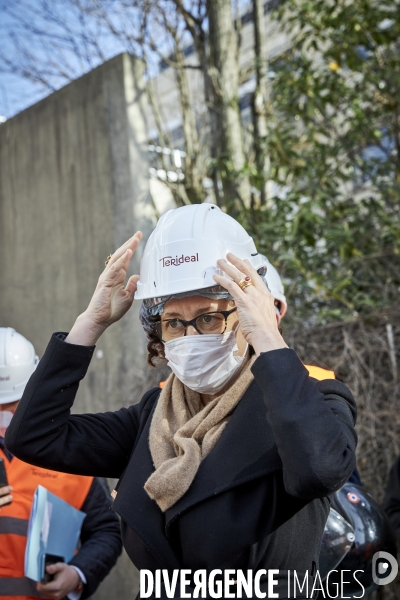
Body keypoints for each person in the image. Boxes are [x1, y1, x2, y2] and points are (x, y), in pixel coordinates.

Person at [6, 204, 358, 599]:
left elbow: (320, 470)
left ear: (249, 313)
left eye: (209, 317)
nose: (190, 335)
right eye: (173, 322)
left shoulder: (313, 401)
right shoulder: (153, 416)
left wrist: (269, 340)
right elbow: (34, 437)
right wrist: (91, 323)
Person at [0, 327, 122, 600]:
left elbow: (106, 531)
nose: (5, 417)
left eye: (14, 405)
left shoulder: (69, 452)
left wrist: (78, 573)